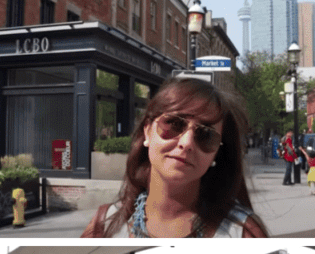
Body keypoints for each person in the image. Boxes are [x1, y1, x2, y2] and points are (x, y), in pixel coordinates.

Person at [82, 77, 267, 238]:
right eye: (173, 124)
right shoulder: (104, 224)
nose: (186, 143)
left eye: (206, 135)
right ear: (148, 130)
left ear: (217, 153)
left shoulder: (243, 233)